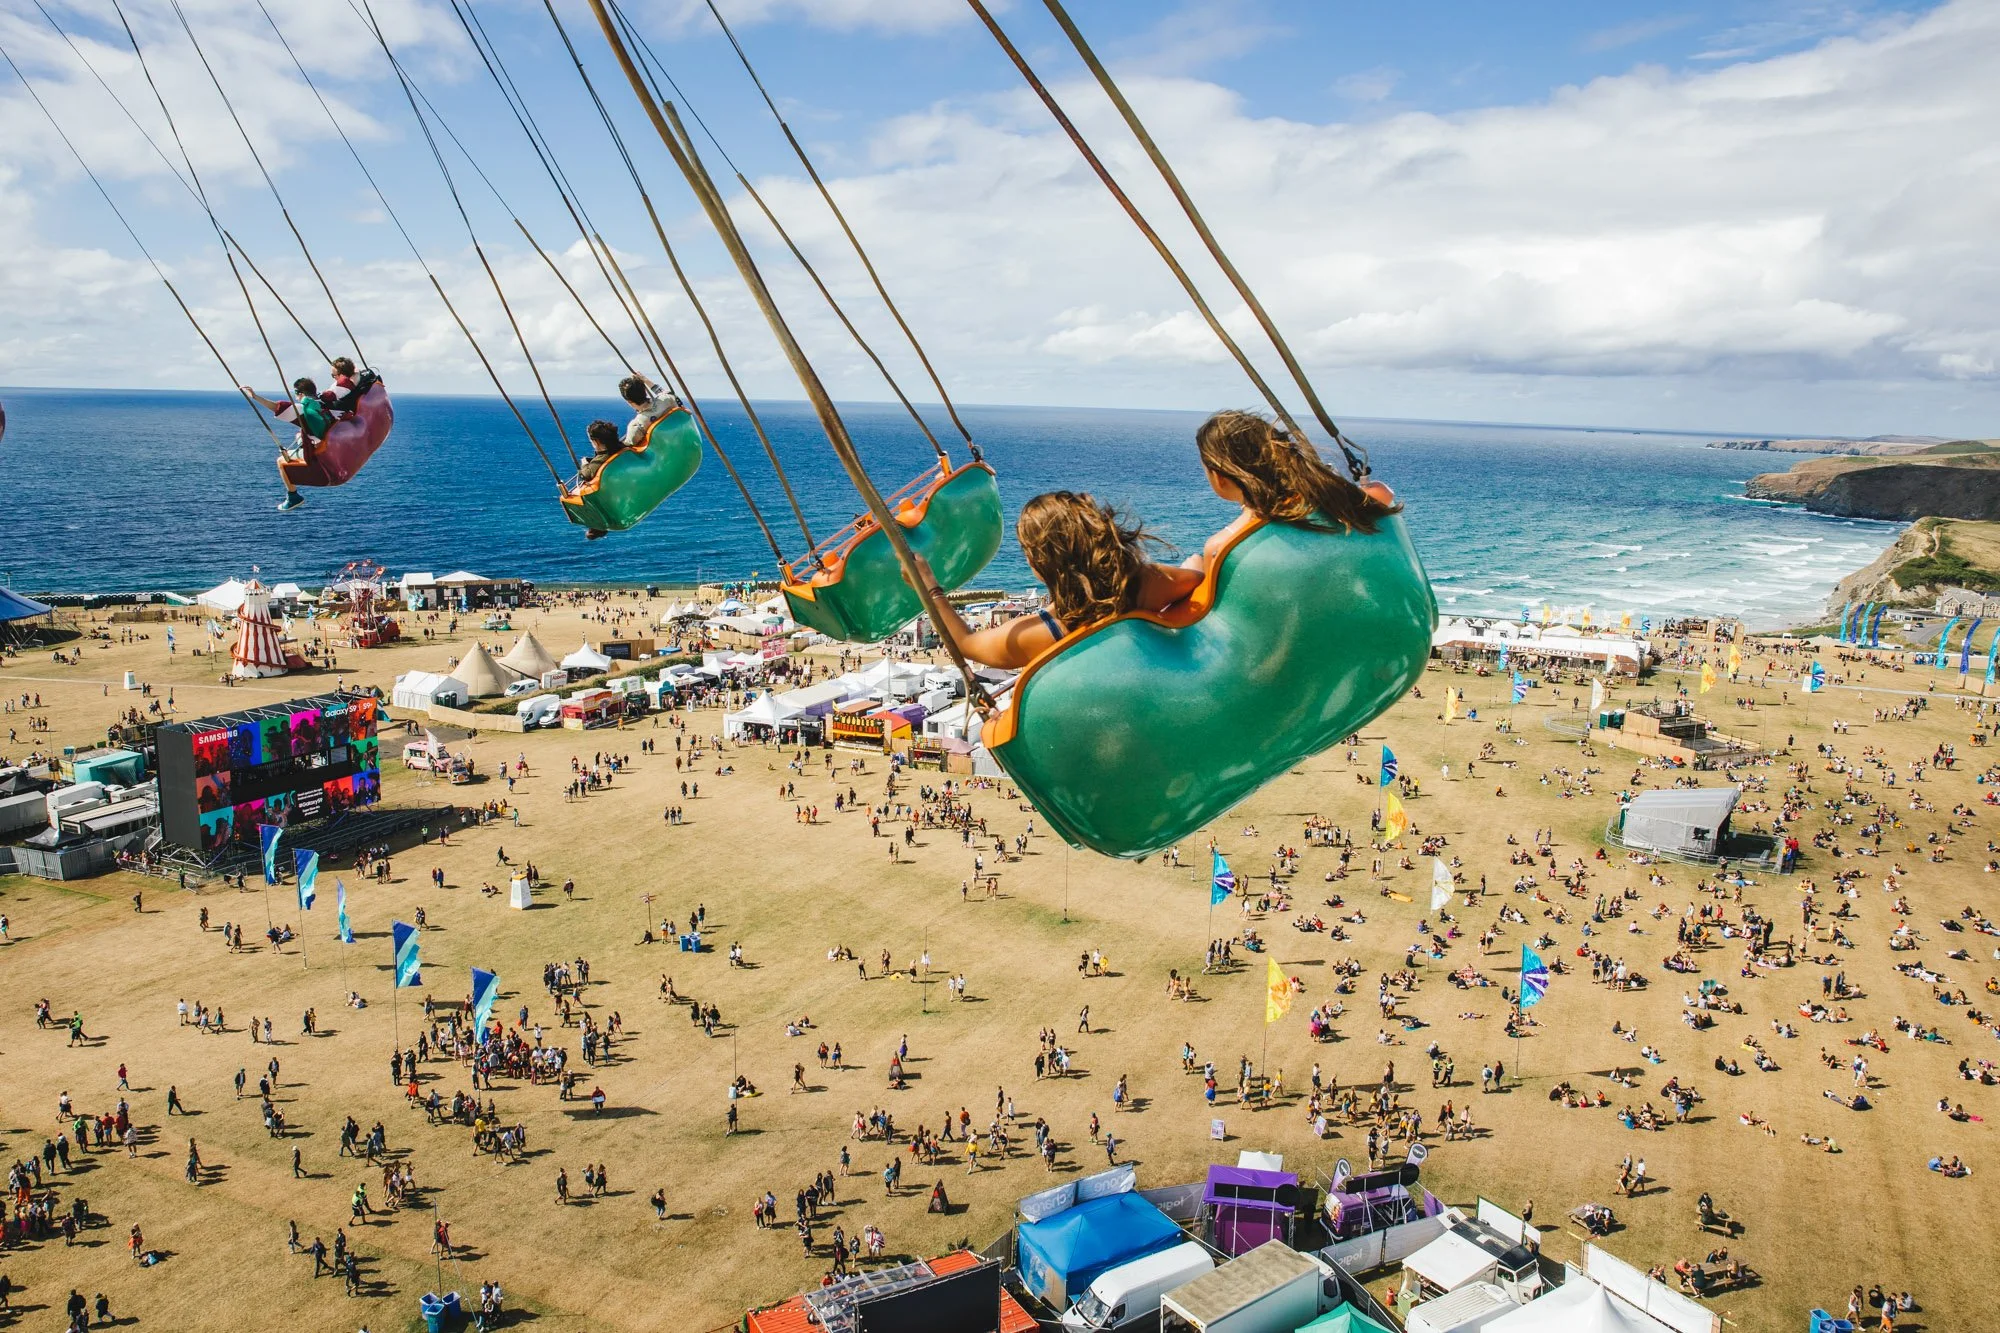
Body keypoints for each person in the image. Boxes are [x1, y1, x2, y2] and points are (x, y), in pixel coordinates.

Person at [910, 492, 1202, 670]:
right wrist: (1197, 562)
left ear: (1042, 563)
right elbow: (1195, 580)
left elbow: (967, 644)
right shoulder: (1141, 585)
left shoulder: (1046, 632)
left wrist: (930, 589)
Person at [1179, 408, 1396, 576]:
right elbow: (1382, 494)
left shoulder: (1222, 546)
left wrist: (1195, 573)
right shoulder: (1331, 504)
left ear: (1219, 477)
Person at [243, 358, 362, 511]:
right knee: (299, 435)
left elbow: (278, 407)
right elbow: (353, 375)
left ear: (299, 393)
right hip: (336, 437)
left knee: (281, 461)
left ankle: (293, 496)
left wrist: (255, 397)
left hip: (323, 452)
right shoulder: (324, 400)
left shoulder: (303, 409)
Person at [570, 420, 629, 541]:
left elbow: (585, 474)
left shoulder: (597, 464)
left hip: (609, 495)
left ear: (596, 442)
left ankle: (598, 524)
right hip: (623, 485)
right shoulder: (623, 448)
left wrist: (584, 463)